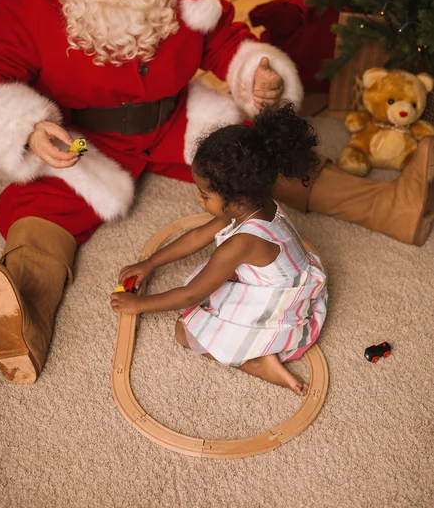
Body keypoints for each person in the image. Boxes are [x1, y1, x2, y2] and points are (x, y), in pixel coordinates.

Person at [0, 0, 432, 385]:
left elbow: (224, 40)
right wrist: (29, 128)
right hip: (78, 133)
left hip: (174, 117)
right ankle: (23, 312)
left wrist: (256, 75)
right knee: (41, 204)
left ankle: (390, 207)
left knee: (250, 161)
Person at [111, 105, 327, 396]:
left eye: (204, 194)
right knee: (210, 293)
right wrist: (151, 263)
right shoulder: (256, 204)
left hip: (278, 305)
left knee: (185, 331)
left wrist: (138, 305)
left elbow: (191, 295)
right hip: (291, 279)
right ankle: (258, 355)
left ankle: (257, 363)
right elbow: (199, 236)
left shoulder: (242, 242)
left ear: (236, 198)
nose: (199, 200)